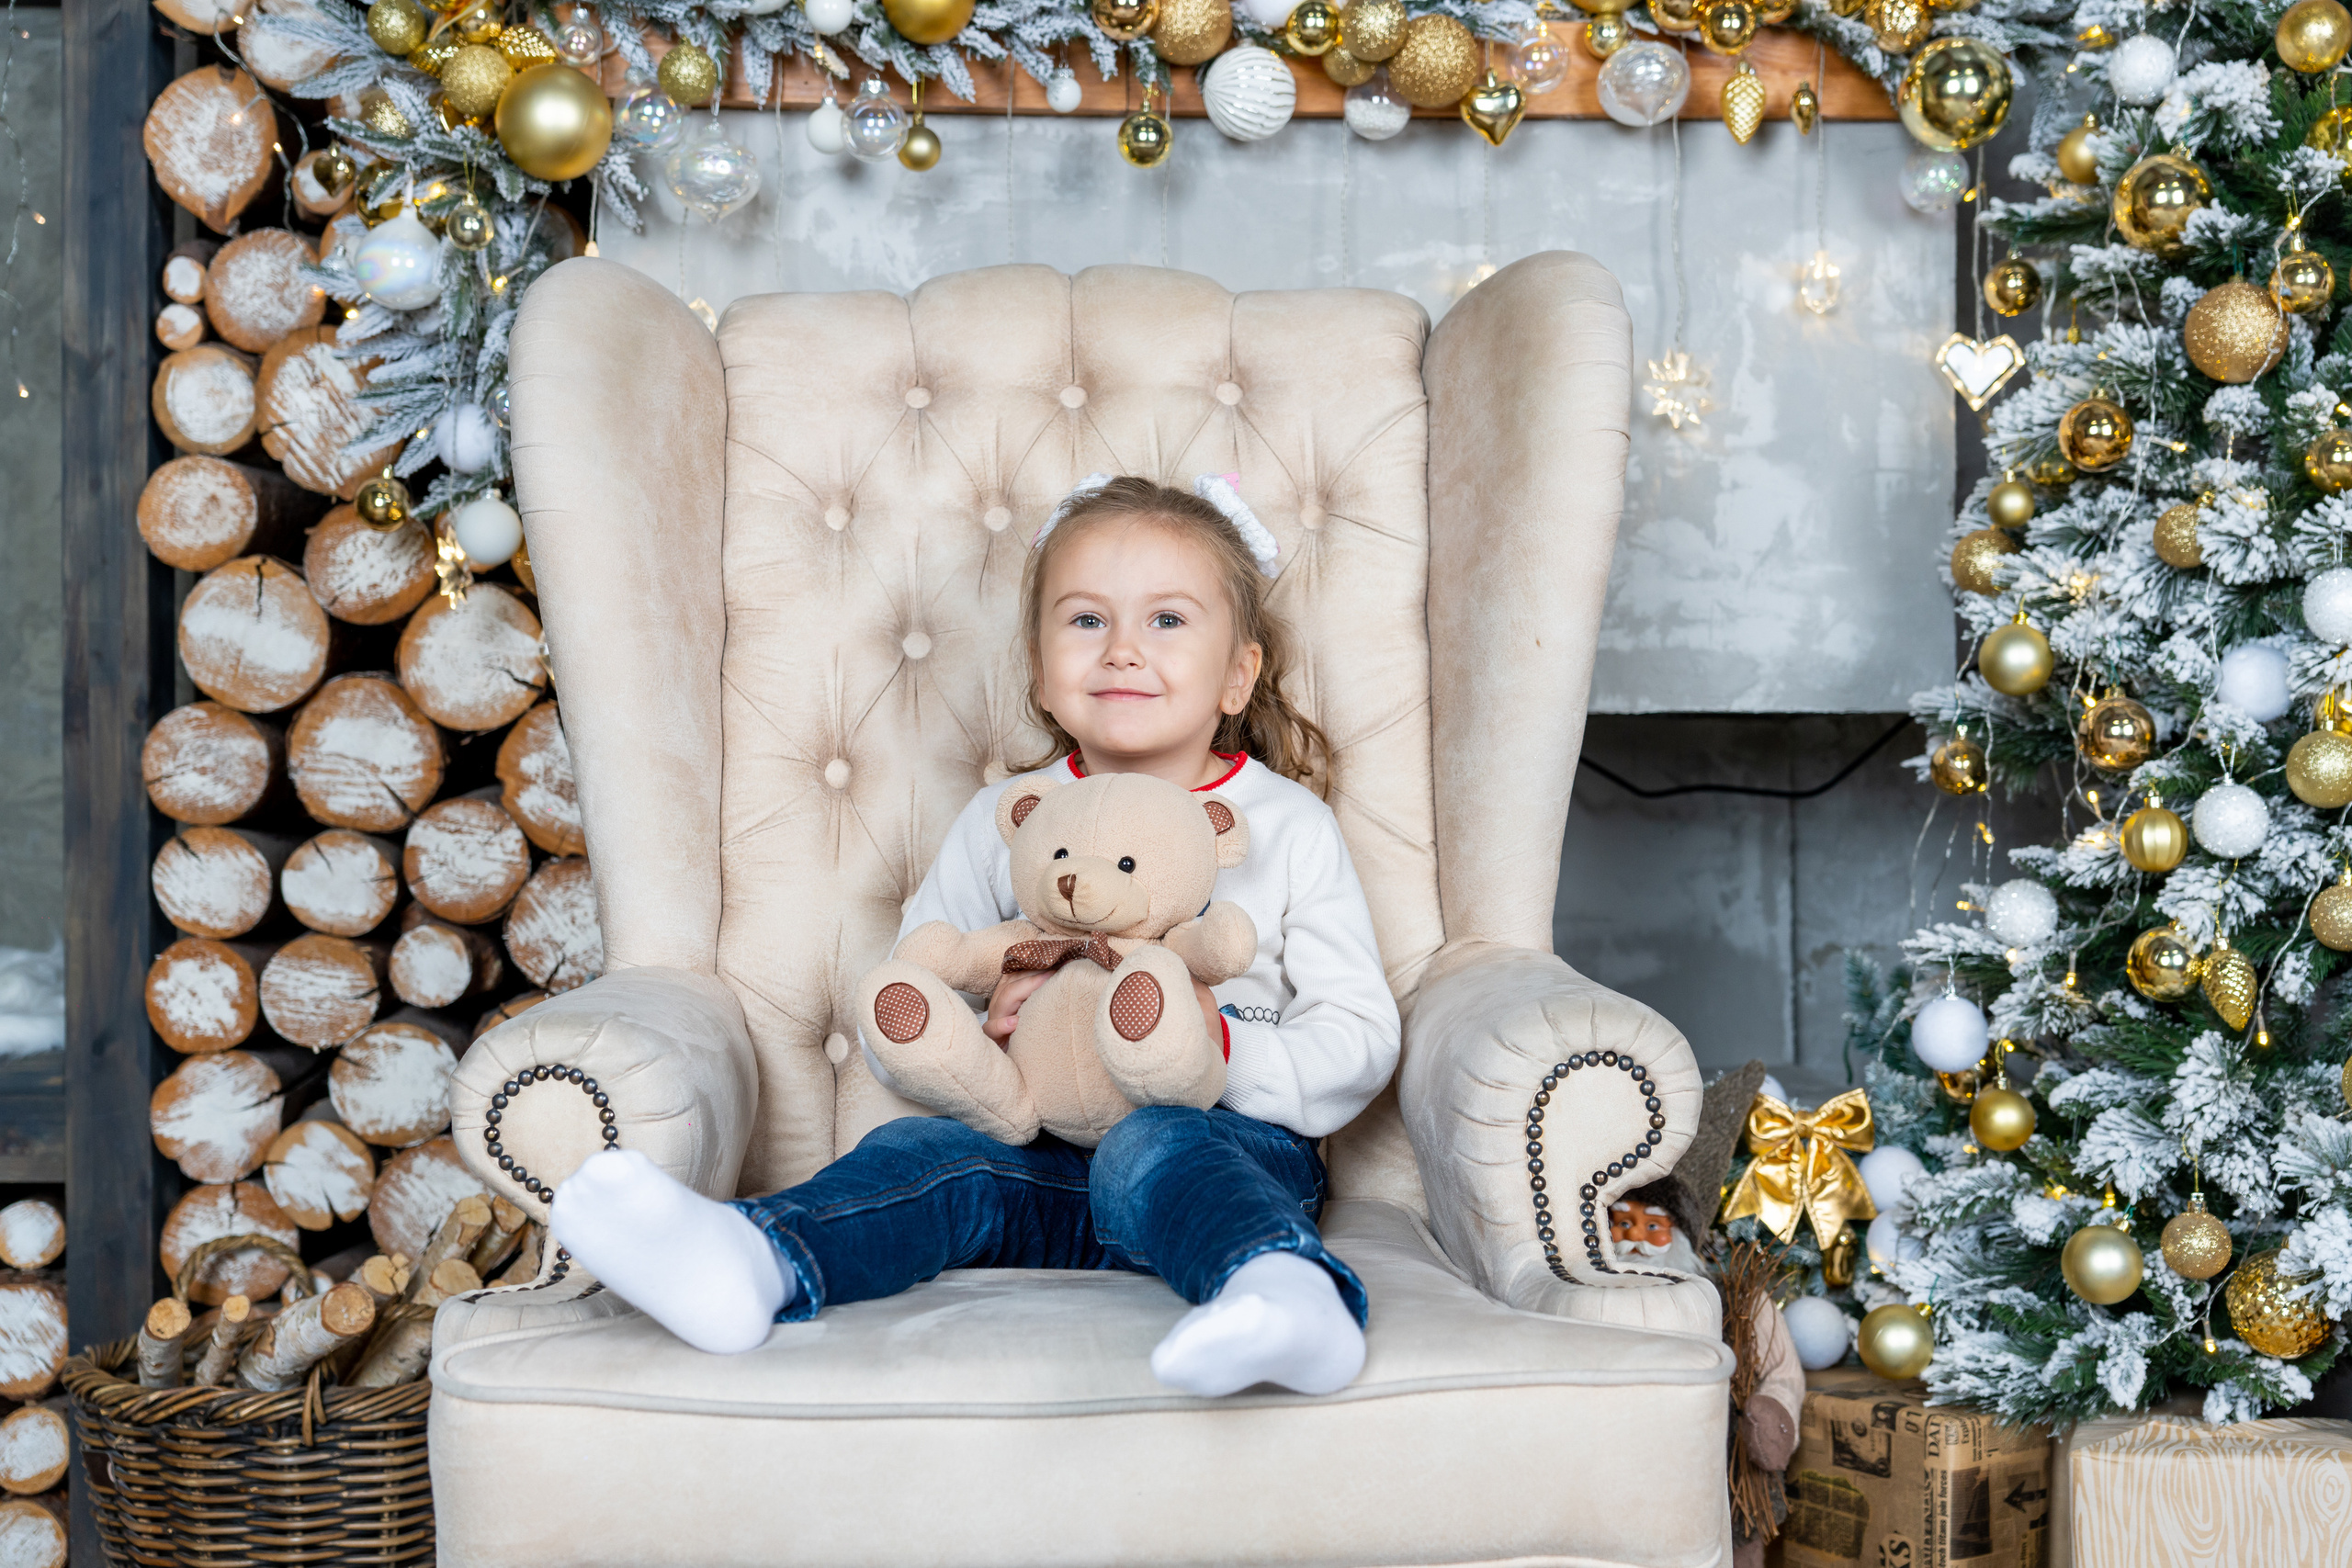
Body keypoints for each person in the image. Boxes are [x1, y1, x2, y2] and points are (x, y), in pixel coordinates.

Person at [552, 474, 1401, 1397]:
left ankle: (1283, 1293)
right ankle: (755, 1261)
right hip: (1043, 1159)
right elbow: (909, 1003)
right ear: (1038, 668)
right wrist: (983, 1020)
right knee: (921, 1161)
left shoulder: (1282, 826)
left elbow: (1360, 1040)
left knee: (1155, 1142)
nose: (1121, 650)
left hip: (1228, 1157)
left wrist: (1218, 1043)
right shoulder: (1010, 820)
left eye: (1166, 620)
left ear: (1238, 672)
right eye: (1085, 621)